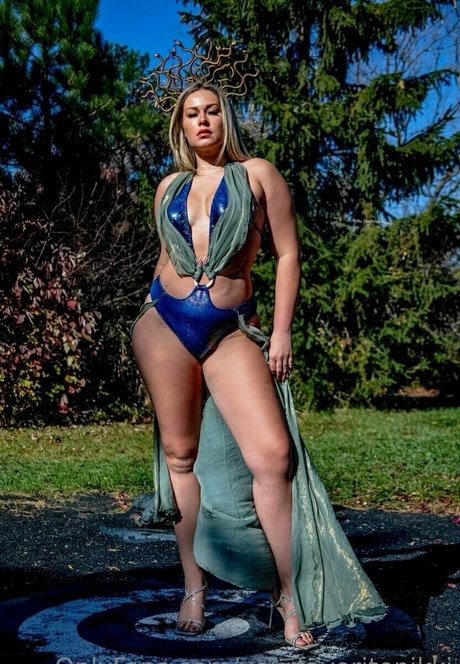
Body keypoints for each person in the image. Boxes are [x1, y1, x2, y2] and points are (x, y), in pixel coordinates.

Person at [132, 56, 387, 650]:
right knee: (180, 456)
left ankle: (288, 594)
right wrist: (146, 313)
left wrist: (281, 331)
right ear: (180, 125)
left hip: (230, 327)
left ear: (227, 117)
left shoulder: (258, 174)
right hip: (163, 325)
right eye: (191, 113)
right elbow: (166, 258)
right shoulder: (168, 188)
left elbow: (288, 253)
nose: (202, 120)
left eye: (211, 110)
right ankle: (193, 587)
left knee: (272, 456)